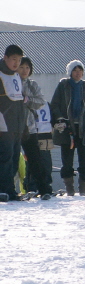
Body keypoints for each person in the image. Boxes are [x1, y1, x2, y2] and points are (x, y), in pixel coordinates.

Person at [50, 60, 85, 196]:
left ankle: (83, 189)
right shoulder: (63, 86)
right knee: (67, 161)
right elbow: (54, 105)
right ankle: (70, 189)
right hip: (67, 129)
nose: (78, 73)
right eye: (75, 70)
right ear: (70, 72)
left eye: (80, 70)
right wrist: (60, 119)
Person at [18, 57, 54, 199]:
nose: (25, 70)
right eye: (22, 67)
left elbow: (40, 102)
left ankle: (44, 189)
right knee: (10, 159)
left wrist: (28, 100)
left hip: (30, 128)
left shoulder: (32, 85)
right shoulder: (9, 83)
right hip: (11, 128)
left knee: (35, 160)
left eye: (27, 67)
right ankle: (8, 189)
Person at [0, 44, 27, 201]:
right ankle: (3, 188)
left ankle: (10, 189)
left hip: (16, 124)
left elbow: (19, 101)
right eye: (14, 59)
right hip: (3, 123)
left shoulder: (17, 76)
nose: (16, 63)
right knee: (5, 156)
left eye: (19, 60)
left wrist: (23, 126)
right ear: (5, 58)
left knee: (14, 157)